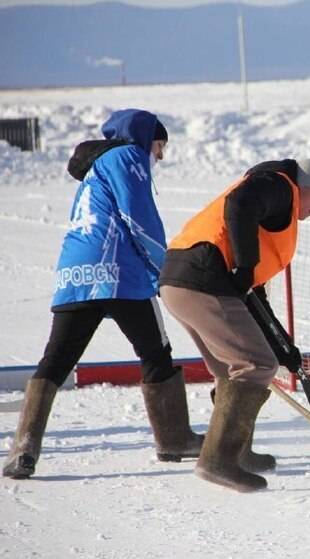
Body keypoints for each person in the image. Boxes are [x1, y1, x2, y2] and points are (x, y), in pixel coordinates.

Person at [3, 109, 203, 480]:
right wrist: (167, 267)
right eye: (160, 146)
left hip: (74, 273)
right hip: (117, 273)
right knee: (155, 352)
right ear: (147, 138)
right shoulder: (127, 156)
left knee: (57, 359)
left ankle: (23, 449)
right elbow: (138, 218)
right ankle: (174, 439)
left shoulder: (98, 168)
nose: (159, 155)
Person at [158, 158, 310, 493]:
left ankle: (237, 454)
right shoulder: (281, 186)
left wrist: (283, 347)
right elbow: (240, 204)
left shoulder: (275, 199)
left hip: (179, 281)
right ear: (306, 187)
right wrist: (245, 265)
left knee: (234, 367)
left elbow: (254, 299)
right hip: (201, 279)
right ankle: (218, 461)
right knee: (256, 364)